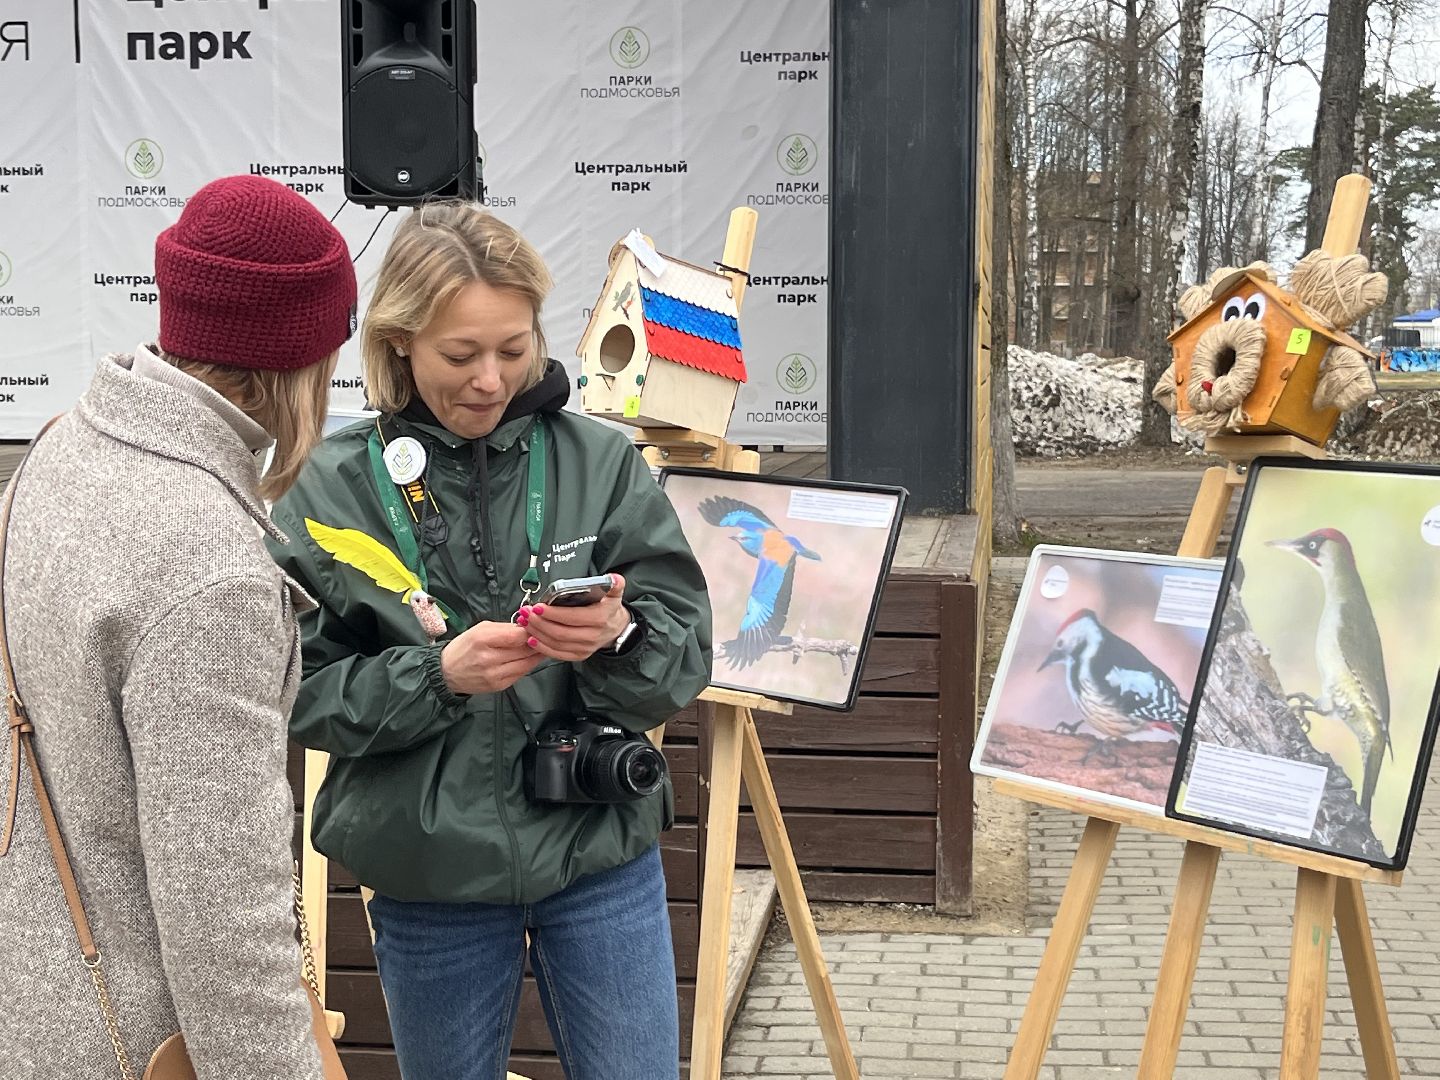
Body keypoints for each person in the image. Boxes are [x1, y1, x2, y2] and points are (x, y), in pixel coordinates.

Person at [268, 201, 711, 1080]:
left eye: (514, 349)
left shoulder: (599, 461)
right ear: (398, 344)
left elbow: (684, 650)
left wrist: (619, 639)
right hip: (430, 875)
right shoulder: (328, 485)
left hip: (598, 854)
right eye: (460, 355)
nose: (490, 379)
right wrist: (437, 676)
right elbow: (299, 692)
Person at [0, 175, 356, 1077]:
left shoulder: (60, 450)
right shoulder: (212, 572)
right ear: (301, 358)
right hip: (138, 1041)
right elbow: (223, 926)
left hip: (30, 1000)